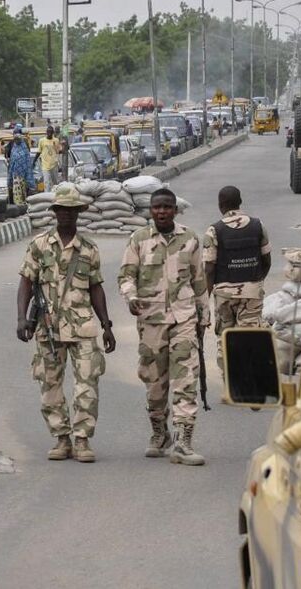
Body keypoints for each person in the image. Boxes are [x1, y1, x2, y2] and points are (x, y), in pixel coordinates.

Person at [17, 185, 115, 463]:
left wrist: (107, 324)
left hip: (82, 326)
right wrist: (21, 318)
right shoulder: (39, 245)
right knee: (49, 383)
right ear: (55, 212)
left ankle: (82, 439)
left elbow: (96, 287)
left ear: (78, 214)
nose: (67, 215)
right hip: (47, 326)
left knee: (88, 382)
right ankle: (61, 438)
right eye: (62, 210)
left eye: (72, 211)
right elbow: (26, 282)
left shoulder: (89, 248)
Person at [118, 188, 209, 466]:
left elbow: (199, 281)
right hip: (151, 321)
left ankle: (184, 441)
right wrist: (131, 297)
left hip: (183, 320)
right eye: (157, 207)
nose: (162, 212)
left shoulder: (190, 239)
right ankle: (160, 433)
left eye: (167, 207)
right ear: (150, 210)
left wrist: (203, 317)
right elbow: (126, 275)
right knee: (154, 384)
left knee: (185, 380)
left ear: (175, 209)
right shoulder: (139, 240)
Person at [203, 186, 271, 387]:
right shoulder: (258, 226)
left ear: (220, 205)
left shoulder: (214, 230)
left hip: (224, 294)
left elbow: (209, 269)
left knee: (226, 336)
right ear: (240, 201)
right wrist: (256, 281)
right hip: (252, 292)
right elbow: (267, 260)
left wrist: (205, 298)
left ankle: (230, 383)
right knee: (249, 335)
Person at [6, 132, 35, 205]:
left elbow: (28, 163)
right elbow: (12, 163)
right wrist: (9, 177)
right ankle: (19, 207)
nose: (16, 141)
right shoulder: (13, 150)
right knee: (17, 193)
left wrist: (29, 177)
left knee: (24, 193)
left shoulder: (25, 149)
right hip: (16, 175)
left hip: (24, 175)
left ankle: (24, 207)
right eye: (15, 140)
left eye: (18, 139)